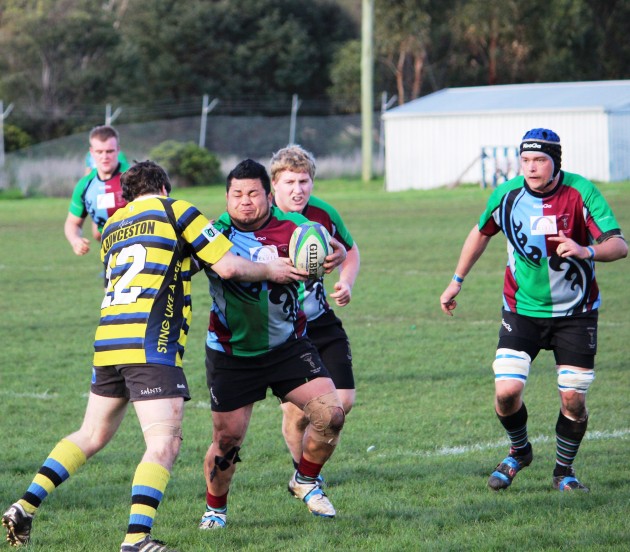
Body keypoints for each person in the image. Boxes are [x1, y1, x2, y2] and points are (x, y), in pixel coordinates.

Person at [2, 161, 304, 551]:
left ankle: (25, 505)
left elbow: (169, 267)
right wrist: (270, 270)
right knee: (164, 442)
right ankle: (136, 540)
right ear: (164, 186)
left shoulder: (112, 227)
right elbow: (228, 267)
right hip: (151, 343)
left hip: (109, 339)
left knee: (91, 433)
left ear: (128, 195)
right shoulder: (176, 210)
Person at [439, 128, 627, 492]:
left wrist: (586, 250)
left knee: (573, 400)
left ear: (556, 162)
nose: (531, 167)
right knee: (506, 392)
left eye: (540, 160)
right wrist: (456, 280)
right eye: (525, 160)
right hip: (521, 309)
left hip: (576, 313)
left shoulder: (580, 191)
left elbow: (618, 245)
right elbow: (481, 231)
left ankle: (564, 471)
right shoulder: (507, 195)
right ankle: (519, 451)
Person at [199, 159, 345, 530]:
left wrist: (334, 254)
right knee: (227, 439)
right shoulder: (214, 232)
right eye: (236, 194)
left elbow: (332, 246)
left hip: (288, 347)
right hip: (232, 353)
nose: (244, 201)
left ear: (268, 195)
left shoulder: (295, 226)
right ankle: (215, 509)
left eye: (252, 193)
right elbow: (227, 268)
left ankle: (305, 479)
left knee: (331, 415)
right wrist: (272, 270)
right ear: (227, 197)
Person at [269, 145, 360, 485]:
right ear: (274, 184)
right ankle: (305, 476)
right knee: (296, 413)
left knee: (344, 401)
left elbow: (350, 251)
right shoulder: (263, 219)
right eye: (290, 182)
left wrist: (346, 281)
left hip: (320, 319)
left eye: (304, 181)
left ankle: (306, 471)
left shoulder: (322, 213)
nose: (298, 190)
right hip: (282, 328)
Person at [64, 125, 131, 255]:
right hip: (111, 257)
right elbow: (72, 223)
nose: (104, 157)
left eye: (109, 151)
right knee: (97, 233)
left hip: (142, 250)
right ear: (92, 152)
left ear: (118, 150)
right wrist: (75, 240)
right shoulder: (84, 185)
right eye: (99, 152)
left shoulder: (134, 177)